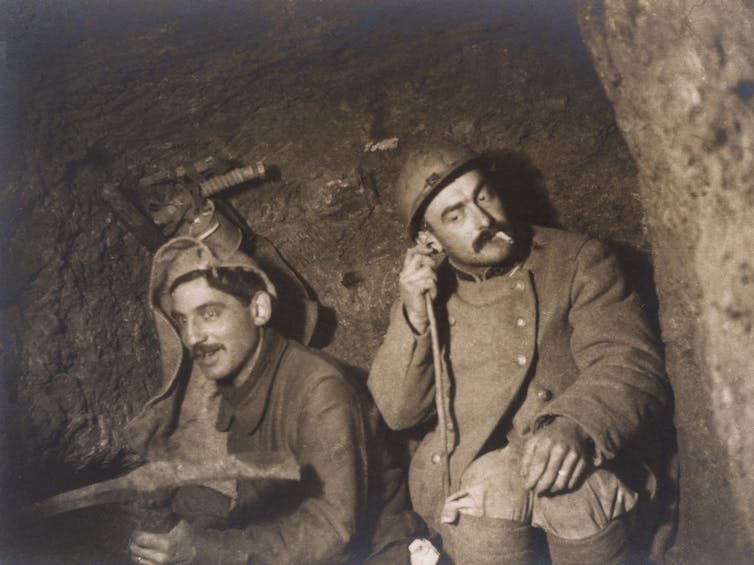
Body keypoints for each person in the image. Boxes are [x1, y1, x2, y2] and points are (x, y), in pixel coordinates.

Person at [367, 142, 674, 564]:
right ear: (429, 239)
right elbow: (398, 411)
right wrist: (414, 318)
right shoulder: (429, 294)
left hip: (582, 453)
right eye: (454, 216)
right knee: (482, 496)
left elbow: (629, 362)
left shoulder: (578, 260)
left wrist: (575, 424)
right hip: (479, 469)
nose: (484, 220)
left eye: (483, 195)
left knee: (571, 494)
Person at [125, 235, 421, 564]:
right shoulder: (241, 383)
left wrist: (205, 549)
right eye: (182, 320)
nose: (192, 337)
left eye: (209, 314)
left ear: (259, 309)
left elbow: (333, 529)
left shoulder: (320, 391)